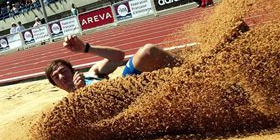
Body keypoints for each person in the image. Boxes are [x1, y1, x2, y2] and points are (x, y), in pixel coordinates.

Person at [44, 35, 181, 92]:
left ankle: (193, 68)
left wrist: (86, 48)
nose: (61, 77)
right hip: (124, 105)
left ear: (72, 71)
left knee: (147, 51)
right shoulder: (69, 107)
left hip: (128, 87)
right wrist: (81, 92)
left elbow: (119, 56)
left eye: (63, 71)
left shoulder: (91, 73)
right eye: (56, 77)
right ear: (55, 85)